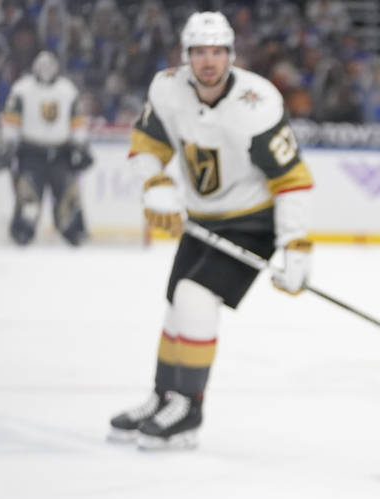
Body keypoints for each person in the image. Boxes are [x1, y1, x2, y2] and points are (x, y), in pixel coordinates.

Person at [107, 11, 314, 449]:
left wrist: (296, 246)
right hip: (202, 218)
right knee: (175, 307)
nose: (208, 61)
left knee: (194, 297)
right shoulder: (167, 90)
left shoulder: (257, 103)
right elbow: (146, 144)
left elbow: (292, 179)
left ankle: (189, 409)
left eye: (217, 52)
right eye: (199, 52)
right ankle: (163, 397)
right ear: (186, 57)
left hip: (252, 221)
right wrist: (154, 181)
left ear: (231, 56)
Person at [0, 50, 92, 246]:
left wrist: (81, 145)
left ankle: (73, 232)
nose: (46, 71)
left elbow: (77, 121)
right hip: (31, 153)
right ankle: (22, 232)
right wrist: (5, 146)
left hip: (61, 153)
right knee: (28, 197)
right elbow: (11, 122)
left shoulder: (67, 90)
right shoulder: (22, 89)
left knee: (68, 198)